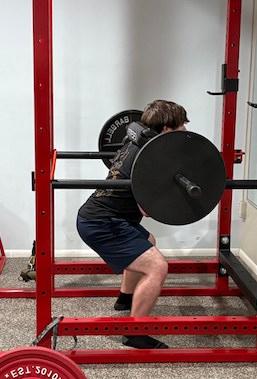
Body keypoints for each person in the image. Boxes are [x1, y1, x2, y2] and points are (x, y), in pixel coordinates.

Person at [76, 100, 188, 349]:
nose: (184, 129)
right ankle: (135, 333)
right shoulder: (150, 157)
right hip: (102, 222)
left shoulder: (134, 141)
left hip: (96, 215)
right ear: (167, 129)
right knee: (158, 267)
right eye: (181, 125)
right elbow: (147, 210)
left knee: (147, 242)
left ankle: (125, 300)